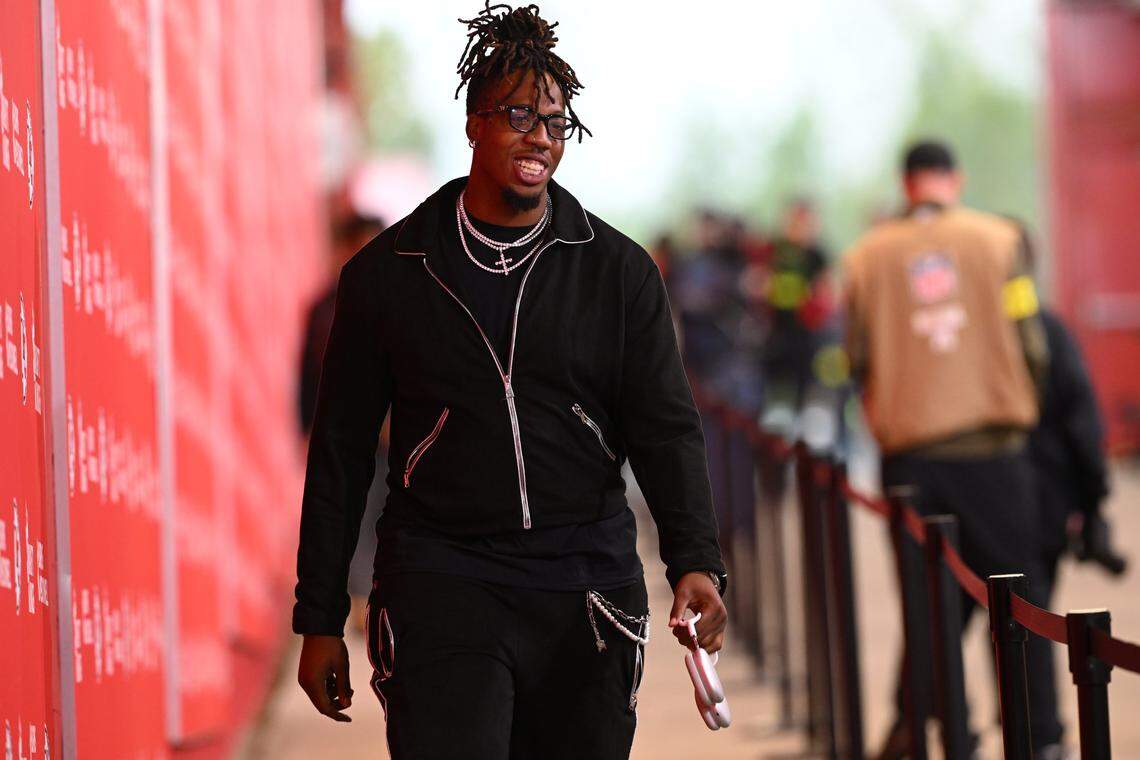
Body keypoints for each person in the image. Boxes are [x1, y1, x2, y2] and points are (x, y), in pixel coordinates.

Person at [291, 4, 728, 758]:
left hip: (585, 585)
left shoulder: (617, 273)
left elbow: (665, 428)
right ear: (473, 124)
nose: (540, 136)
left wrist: (694, 559)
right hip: (441, 578)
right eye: (519, 114)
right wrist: (320, 616)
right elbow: (338, 453)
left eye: (556, 122)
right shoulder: (388, 276)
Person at [843, 140, 1065, 758]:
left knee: (927, 607)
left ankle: (939, 736)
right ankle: (1038, 738)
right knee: (1022, 604)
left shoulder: (865, 257)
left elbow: (857, 359)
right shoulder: (1000, 243)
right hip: (994, 454)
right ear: (954, 179)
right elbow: (1032, 340)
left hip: (910, 459)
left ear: (905, 182)